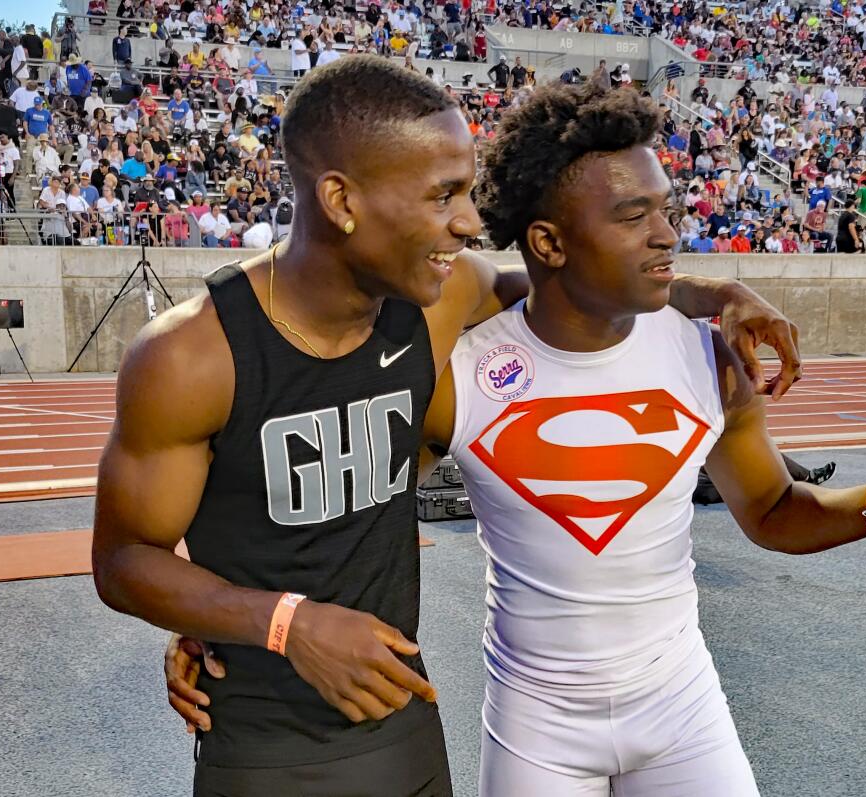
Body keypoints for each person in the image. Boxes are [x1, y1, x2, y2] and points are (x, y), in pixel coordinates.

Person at [169, 82, 866, 796]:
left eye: (667, 211)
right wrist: (217, 617)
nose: (667, 235)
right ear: (549, 242)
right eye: (635, 215)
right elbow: (337, 511)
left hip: (684, 707)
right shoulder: (457, 368)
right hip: (537, 726)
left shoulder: (711, 356)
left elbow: (773, 509)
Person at [94, 57, 801, 797]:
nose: (468, 222)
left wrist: (716, 290)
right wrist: (277, 621)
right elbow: (122, 559)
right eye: (444, 196)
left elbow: (576, 283)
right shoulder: (188, 355)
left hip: (401, 719)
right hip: (263, 741)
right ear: (341, 199)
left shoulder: (439, 295)